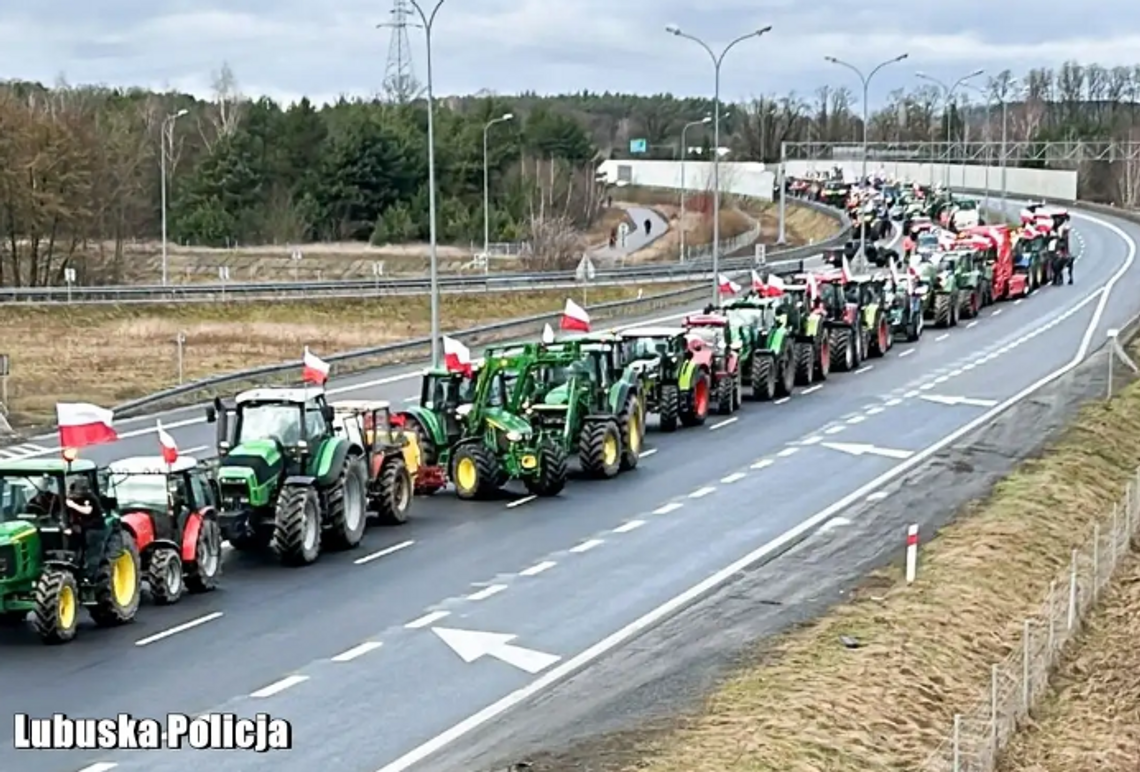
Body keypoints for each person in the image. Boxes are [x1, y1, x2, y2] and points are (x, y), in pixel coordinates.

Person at [66, 475, 106, 582]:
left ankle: (89, 578)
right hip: (82, 529)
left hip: (95, 530)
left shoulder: (89, 497)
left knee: (92, 555)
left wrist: (72, 505)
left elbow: (87, 511)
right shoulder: (75, 497)